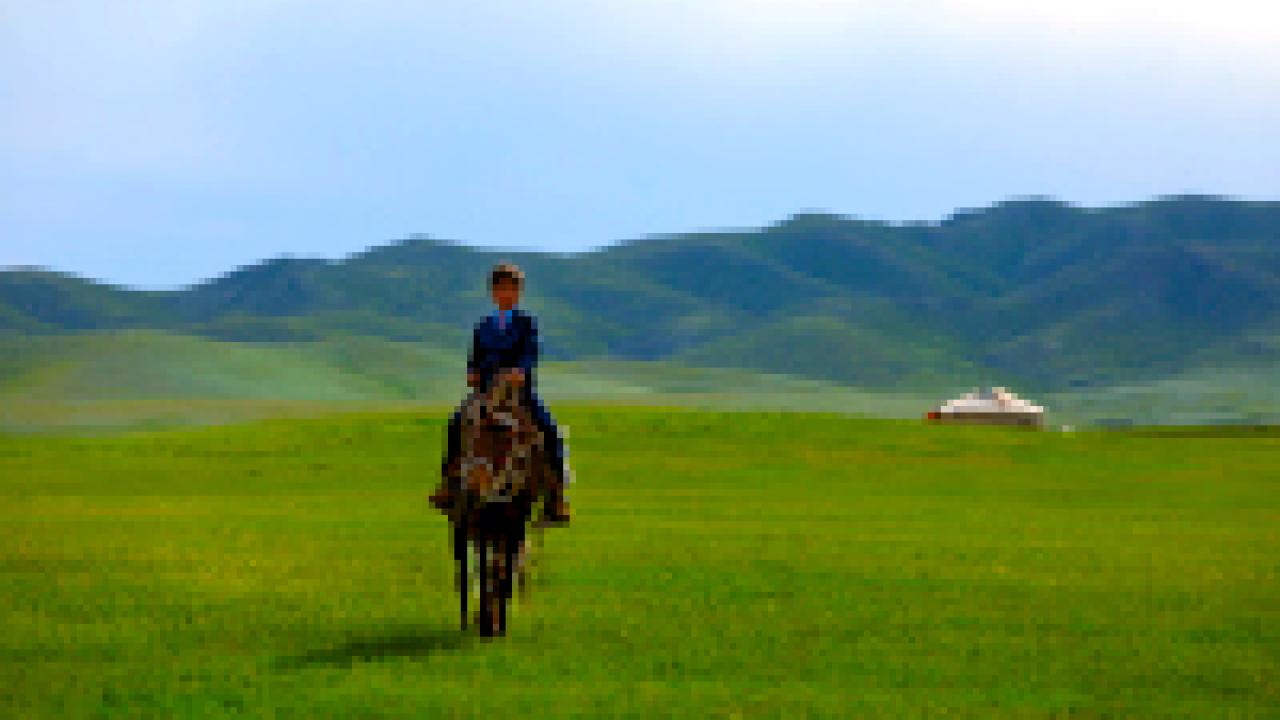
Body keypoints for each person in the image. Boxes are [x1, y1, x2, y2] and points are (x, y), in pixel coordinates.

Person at [429, 262, 572, 524]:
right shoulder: (483, 326)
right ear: (492, 293)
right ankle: (447, 484)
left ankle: (557, 496)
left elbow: (531, 352)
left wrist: (522, 371)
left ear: (520, 292)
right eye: (501, 288)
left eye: (512, 288)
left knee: (550, 431)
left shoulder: (526, 323)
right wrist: (472, 371)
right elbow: (475, 355)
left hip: (518, 391)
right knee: (455, 423)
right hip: (486, 390)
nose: (507, 293)